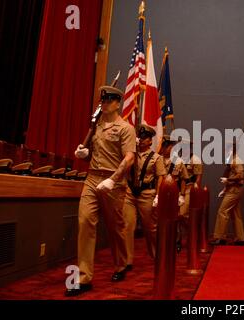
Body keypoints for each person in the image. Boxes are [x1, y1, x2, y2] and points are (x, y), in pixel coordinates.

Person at [66, 86, 136, 296]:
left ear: (117, 103)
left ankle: (121, 264)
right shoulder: (96, 127)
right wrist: (84, 154)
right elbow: (95, 153)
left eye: (108, 100)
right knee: (85, 222)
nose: (103, 103)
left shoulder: (125, 128)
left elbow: (129, 158)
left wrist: (113, 180)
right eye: (102, 100)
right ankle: (84, 277)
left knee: (116, 227)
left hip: (113, 182)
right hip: (92, 178)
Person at [122, 125, 166, 267]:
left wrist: (158, 196)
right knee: (127, 226)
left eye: (145, 138)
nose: (141, 140)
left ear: (150, 141)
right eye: (140, 137)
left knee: (150, 227)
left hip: (147, 194)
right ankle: (127, 260)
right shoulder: (131, 155)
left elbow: (160, 177)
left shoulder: (156, 158)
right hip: (130, 193)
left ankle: (156, 254)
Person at [210, 142, 244, 245]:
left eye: (227, 148)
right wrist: (225, 189)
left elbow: (240, 176)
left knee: (222, 211)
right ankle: (240, 238)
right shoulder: (231, 160)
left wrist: (228, 179)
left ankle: (220, 237)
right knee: (236, 214)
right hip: (232, 189)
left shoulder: (236, 160)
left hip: (234, 190)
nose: (225, 150)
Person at [177, 139, 203, 251]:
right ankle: (178, 240)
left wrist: (195, 192)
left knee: (183, 214)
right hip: (176, 188)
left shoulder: (195, 159)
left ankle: (193, 233)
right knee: (176, 216)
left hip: (189, 188)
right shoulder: (177, 159)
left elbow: (198, 177)